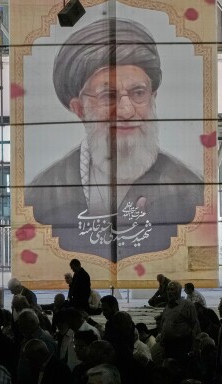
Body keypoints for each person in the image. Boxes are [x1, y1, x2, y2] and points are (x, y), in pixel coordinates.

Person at [25, 18, 203, 259]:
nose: (126, 110)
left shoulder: (191, 189)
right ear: (79, 109)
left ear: (153, 96)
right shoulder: (43, 192)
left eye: (138, 93)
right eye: (108, 96)